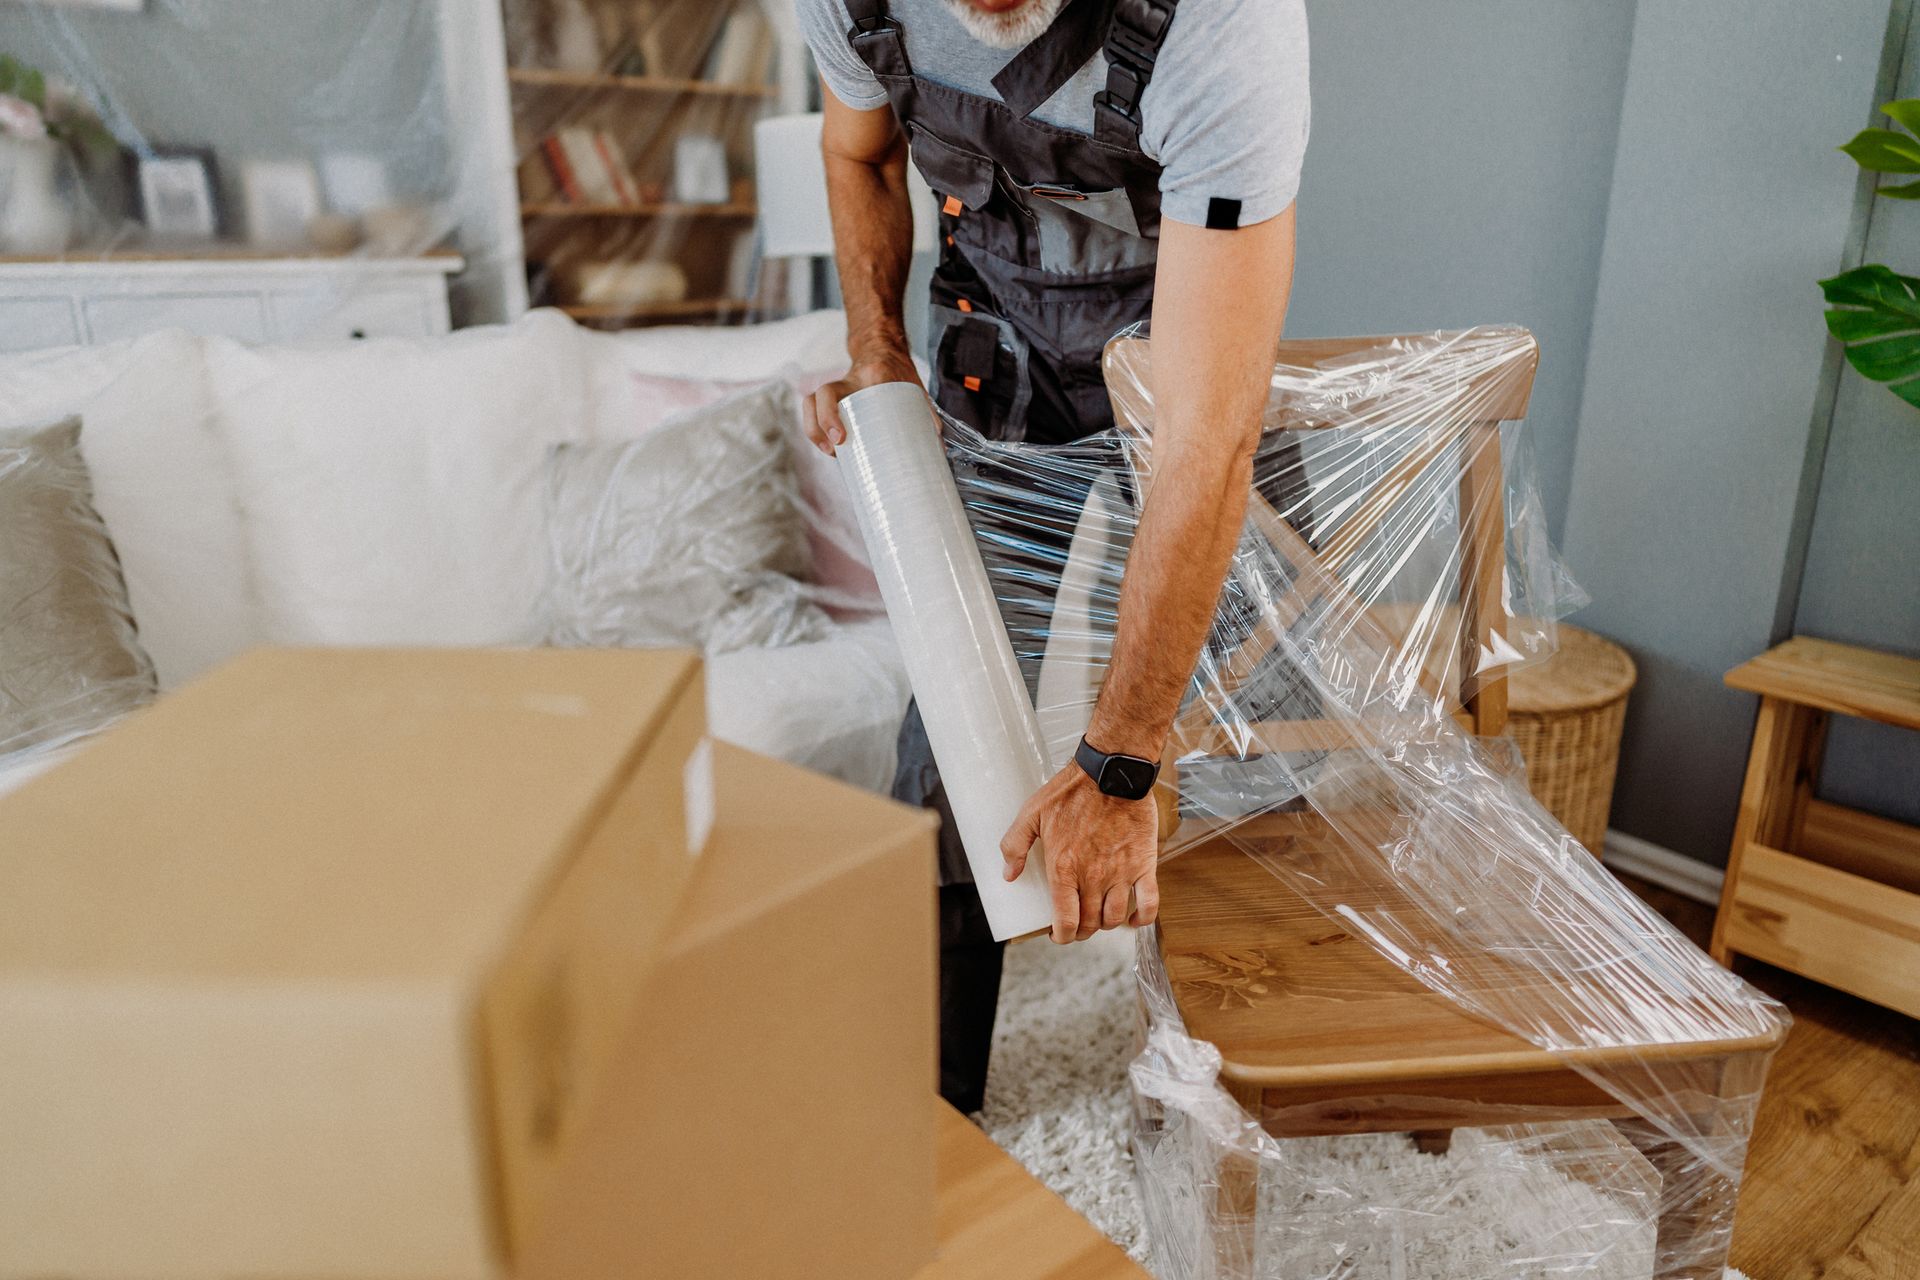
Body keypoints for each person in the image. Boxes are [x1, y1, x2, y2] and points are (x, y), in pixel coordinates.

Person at [796, 0, 1309, 1114]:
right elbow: (857, 149)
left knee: (1260, 716)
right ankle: (928, 1103)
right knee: (950, 733)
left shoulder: (1225, 23)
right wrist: (877, 351)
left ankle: (1259, 1081)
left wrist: (1122, 762)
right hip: (998, 357)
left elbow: (1207, 442)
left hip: (1185, 367)